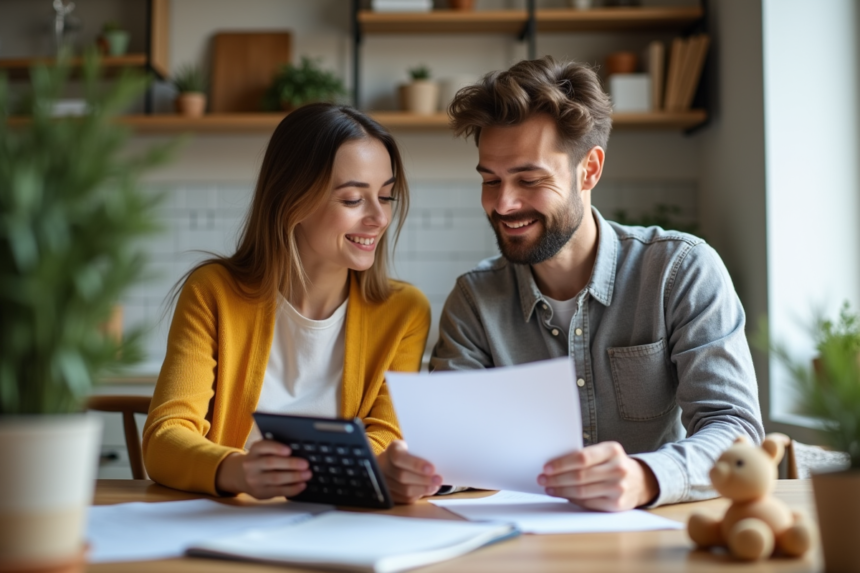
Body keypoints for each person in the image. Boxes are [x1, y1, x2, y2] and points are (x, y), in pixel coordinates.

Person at [382, 57, 764, 510]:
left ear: (590, 170)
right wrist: (424, 472)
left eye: (529, 179)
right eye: (490, 180)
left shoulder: (680, 270)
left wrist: (646, 477)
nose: (503, 203)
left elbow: (735, 428)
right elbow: (457, 452)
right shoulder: (475, 301)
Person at [142, 103, 432, 502]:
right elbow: (164, 439)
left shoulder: (404, 312)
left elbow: (387, 435)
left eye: (386, 197)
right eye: (353, 200)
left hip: (344, 526)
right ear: (292, 200)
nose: (379, 218)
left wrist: (374, 469)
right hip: (231, 525)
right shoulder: (213, 292)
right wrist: (237, 470)